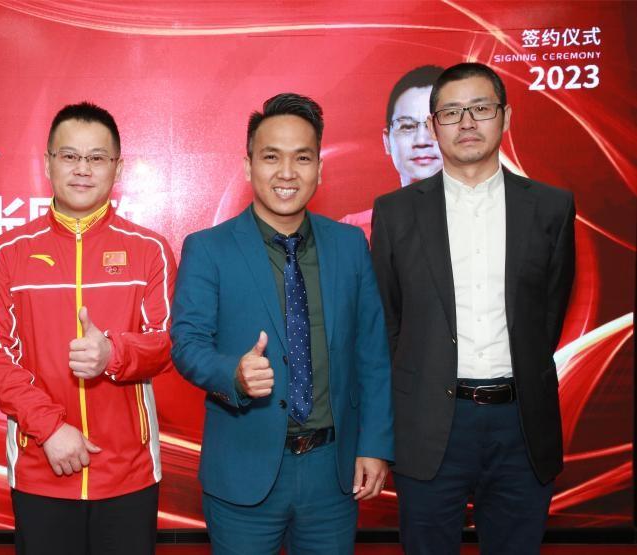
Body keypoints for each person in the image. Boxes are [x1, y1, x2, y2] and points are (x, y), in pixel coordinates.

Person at [171, 93, 393, 554]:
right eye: (271, 157)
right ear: (248, 165)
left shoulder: (350, 245)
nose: (287, 172)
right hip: (243, 472)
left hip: (333, 474)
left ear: (320, 169)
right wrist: (233, 373)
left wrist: (374, 445)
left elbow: (372, 353)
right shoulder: (208, 248)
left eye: (302, 158)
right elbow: (187, 345)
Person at [370, 62, 576, 554]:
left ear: (506, 117)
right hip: (429, 421)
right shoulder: (395, 213)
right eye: (451, 112)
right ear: (434, 124)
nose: (466, 123)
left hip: (521, 423)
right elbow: (389, 322)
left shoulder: (551, 208)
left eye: (481, 108)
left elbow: (548, 314)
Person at [0, 102, 176, 555]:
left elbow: (167, 341)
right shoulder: (7, 253)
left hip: (129, 472)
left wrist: (112, 354)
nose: (82, 169)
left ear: (117, 167)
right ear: (48, 163)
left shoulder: (150, 250)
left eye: (97, 158)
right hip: (41, 464)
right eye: (69, 156)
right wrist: (50, 429)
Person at [341, 65, 443, 239]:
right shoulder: (350, 233)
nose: (421, 141)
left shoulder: (485, 220)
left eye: (433, 125)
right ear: (387, 141)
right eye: (407, 126)